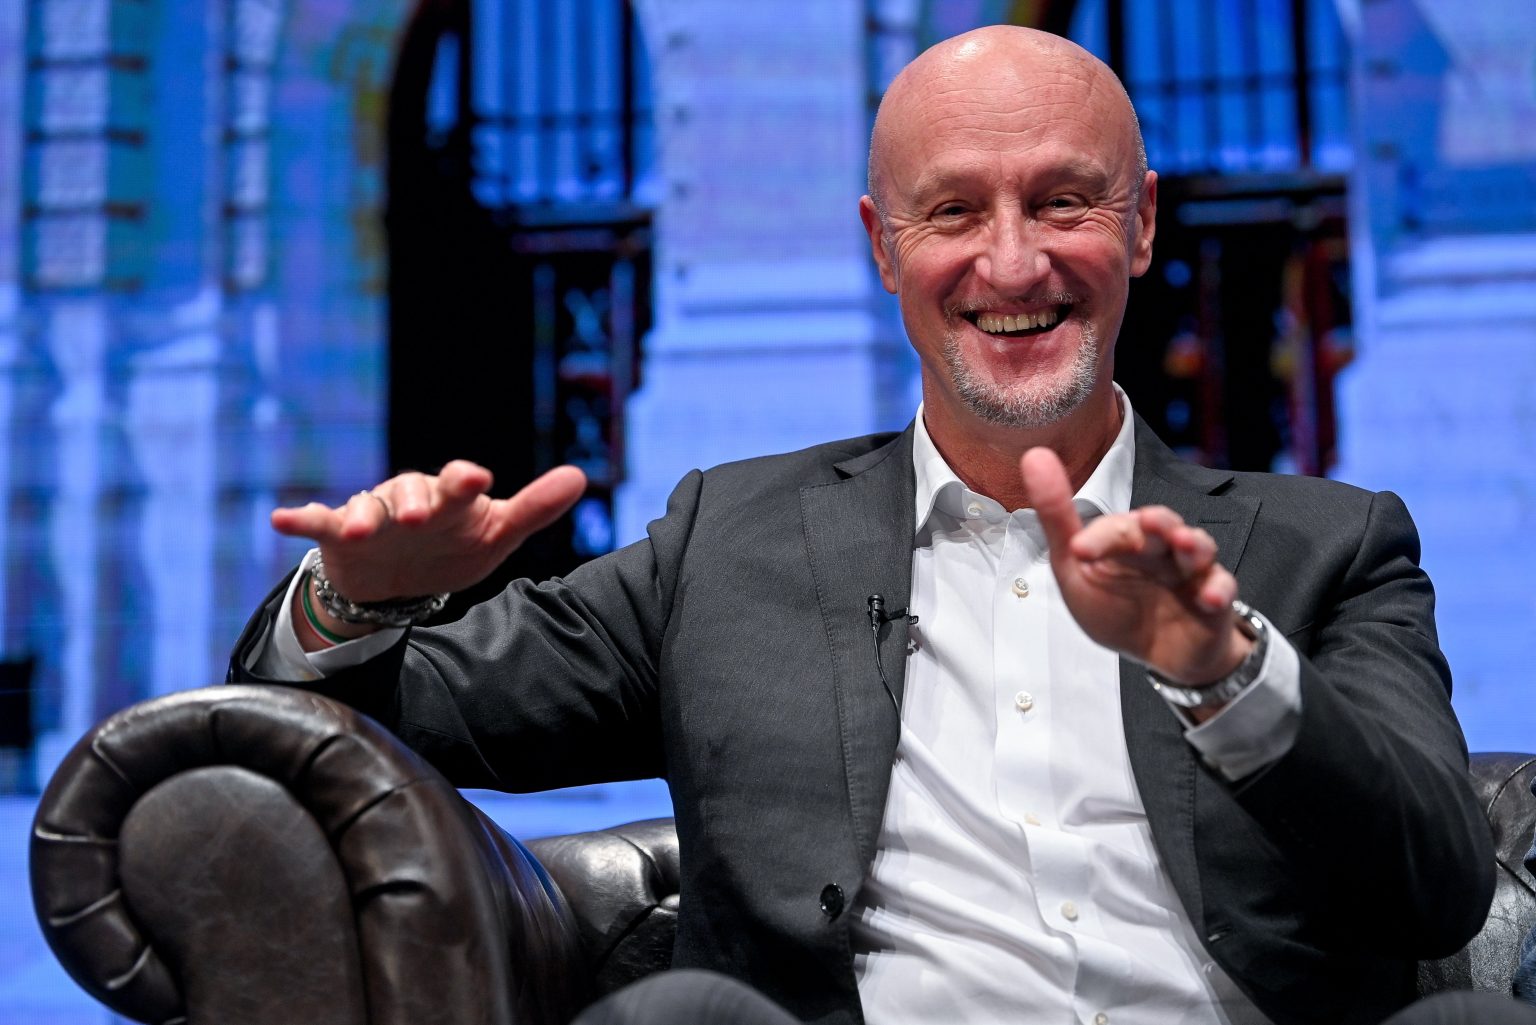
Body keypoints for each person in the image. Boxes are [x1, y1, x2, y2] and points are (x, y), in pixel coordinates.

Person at [232, 25, 1520, 1025]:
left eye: (1063, 203)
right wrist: (357, 598)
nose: (1011, 265)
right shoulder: (727, 542)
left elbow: (1440, 885)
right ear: (882, 246)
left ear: (1139, 226)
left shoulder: (1334, 545)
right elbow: (368, 721)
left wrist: (1224, 673)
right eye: (953, 211)